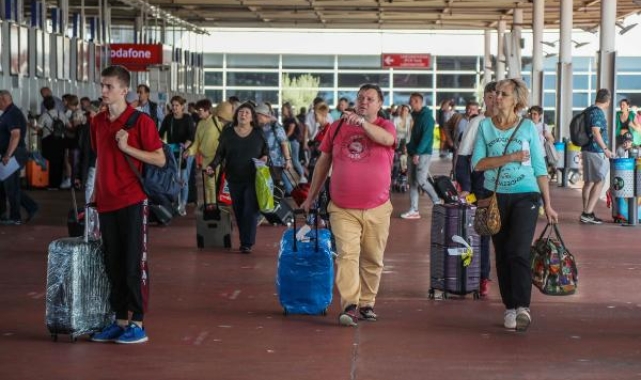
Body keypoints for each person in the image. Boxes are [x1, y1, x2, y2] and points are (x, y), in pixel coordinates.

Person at [301, 83, 396, 327]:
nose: (364, 102)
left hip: (377, 207)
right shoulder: (337, 127)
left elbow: (386, 139)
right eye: (360, 97)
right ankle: (350, 305)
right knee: (347, 255)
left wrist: (362, 124)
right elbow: (323, 162)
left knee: (373, 259)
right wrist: (310, 196)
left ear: (379, 104)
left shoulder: (385, 126)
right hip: (342, 206)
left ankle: (367, 303)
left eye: (370, 99)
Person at [472, 78, 558, 332]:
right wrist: (509, 157)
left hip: (526, 195)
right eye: (496, 93)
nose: (498, 97)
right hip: (495, 197)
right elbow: (478, 163)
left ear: (516, 100)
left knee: (518, 251)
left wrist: (548, 204)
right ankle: (509, 307)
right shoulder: (485, 127)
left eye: (504, 94)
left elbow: (540, 168)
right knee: (502, 254)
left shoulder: (528, 127)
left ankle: (522, 307)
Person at [90, 65, 166, 344]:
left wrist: (128, 148)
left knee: (134, 262)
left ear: (124, 90)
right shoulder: (97, 122)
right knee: (113, 263)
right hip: (106, 202)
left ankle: (137, 322)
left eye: (109, 86)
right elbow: (100, 160)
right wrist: (93, 195)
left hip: (132, 200)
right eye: (102, 85)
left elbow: (160, 159)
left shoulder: (140, 122)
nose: (104, 91)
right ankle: (120, 318)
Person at [205, 103, 269, 253]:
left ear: (252, 117)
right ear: (236, 115)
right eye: (241, 112)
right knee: (239, 210)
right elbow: (220, 154)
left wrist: (265, 158)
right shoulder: (228, 132)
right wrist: (212, 166)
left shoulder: (258, 132)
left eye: (247, 112)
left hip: (254, 178)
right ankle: (244, 239)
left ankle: (247, 242)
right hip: (233, 177)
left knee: (249, 209)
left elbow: (266, 151)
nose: (243, 114)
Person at [455, 81, 497, 298]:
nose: (495, 101)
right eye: (490, 97)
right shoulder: (477, 123)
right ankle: (481, 276)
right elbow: (463, 156)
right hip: (481, 187)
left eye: (499, 96)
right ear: (485, 99)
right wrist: (466, 187)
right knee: (483, 233)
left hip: (508, 187)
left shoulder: (516, 124)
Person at [400, 93, 442, 220]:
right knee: (412, 182)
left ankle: (437, 202)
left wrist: (417, 153)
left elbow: (426, 137)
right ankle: (414, 210)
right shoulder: (414, 116)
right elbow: (409, 134)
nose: (410, 104)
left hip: (422, 153)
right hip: (412, 152)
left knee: (421, 181)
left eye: (412, 101)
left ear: (418, 102)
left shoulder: (427, 118)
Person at [0, 90, 39, 225]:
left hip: (14, 154)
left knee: (11, 187)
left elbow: (15, 135)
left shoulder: (12, 113)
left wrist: (7, 155)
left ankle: (15, 217)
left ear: (3, 99)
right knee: (5, 185)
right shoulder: (8, 113)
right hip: (12, 154)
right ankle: (6, 213)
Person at [188, 99, 231, 204]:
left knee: (212, 184)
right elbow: (197, 142)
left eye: (201, 110)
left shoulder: (217, 120)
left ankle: (213, 206)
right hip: (205, 159)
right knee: (206, 184)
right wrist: (189, 151)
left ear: (207, 110)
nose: (199, 113)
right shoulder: (200, 124)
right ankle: (209, 206)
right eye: (198, 111)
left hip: (216, 158)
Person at [159, 95, 196, 216]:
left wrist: (185, 147)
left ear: (182, 106)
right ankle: (174, 201)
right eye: (173, 105)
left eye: (177, 106)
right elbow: (160, 133)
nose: (174, 108)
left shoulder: (187, 118)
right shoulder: (168, 118)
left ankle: (183, 203)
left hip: (184, 151)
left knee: (183, 178)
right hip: (171, 150)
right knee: (173, 177)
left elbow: (191, 135)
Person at [580, 88, 613, 225]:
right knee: (600, 181)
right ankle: (587, 213)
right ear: (608, 100)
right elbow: (596, 132)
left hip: (586, 149)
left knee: (589, 182)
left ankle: (587, 211)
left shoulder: (588, 110)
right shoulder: (598, 113)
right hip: (596, 151)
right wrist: (605, 149)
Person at [255, 103, 293, 195]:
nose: (255, 118)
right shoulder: (259, 126)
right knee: (264, 187)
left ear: (263, 115)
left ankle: (276, 206)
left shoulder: (275, 125)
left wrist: (288, 160)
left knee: (274, 187)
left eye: (256, 115)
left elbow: (284, 143)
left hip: (275, 162)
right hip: (262, 162)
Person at [37, 95, 71, 189]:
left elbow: (38, 129)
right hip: (61, 140)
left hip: (48, 141)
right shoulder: (61, 114)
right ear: (54, 104)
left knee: (49, 162)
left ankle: (50, 183)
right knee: (60, 161)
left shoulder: (44, 115)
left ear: (45, 106)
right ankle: (58, 183)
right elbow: (69, 126)